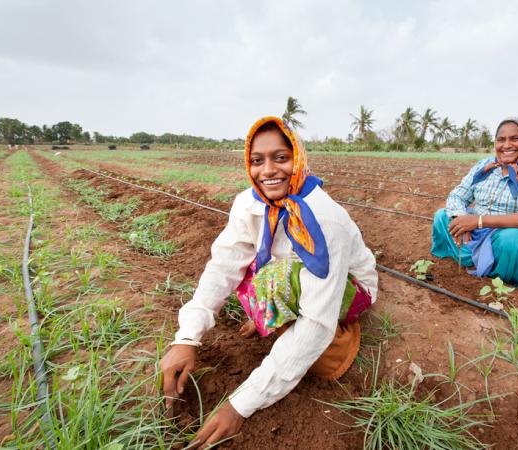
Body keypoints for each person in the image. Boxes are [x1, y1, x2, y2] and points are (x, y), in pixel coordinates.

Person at [158, 116, 378, 448]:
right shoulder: (249, 203)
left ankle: (339, 341)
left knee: (281, 290)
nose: (268, 170)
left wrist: (240, 405)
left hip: (350, 286)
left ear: (299, 159)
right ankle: (282, 320)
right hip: (288, 272)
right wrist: (187, 337)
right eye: (258, 161)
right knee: (249, 276)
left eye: (281, 158)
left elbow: (316, 323)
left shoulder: (324, 219)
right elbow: (223, 266)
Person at [431, 117, 518, 296]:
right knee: (442, 216)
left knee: (511, 240)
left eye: (515, 139)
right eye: (501, 140)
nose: (507, 145)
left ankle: (502, 270)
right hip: (479, 229)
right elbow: (458, 195)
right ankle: (480, 262)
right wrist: (460, 218)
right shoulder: (485, 166)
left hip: (516, 233)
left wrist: (478, 221)